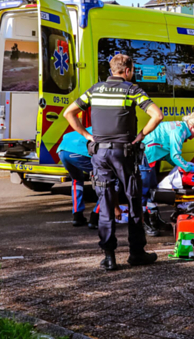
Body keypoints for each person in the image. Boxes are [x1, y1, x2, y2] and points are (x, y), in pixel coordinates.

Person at [62, 53, 164, 271]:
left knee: (106, 205)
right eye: (132, 71)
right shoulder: (131, 89)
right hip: (125, 153)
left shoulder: (94, 90)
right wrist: (141, 136)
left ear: (111, 70)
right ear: (127, 71)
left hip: (99, 154)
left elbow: (69, 113)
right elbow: (157, 115)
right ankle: (136, 253)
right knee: (134, 202)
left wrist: (87, 136)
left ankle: (109, 257)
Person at [138, 112, 194, 232]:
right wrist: (188, 168)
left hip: (152, 154)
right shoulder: (180, 131)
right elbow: (175, 155)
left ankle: (154, 219)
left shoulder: (180, 127)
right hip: (147, 154)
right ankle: (142, 225)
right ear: (192, 127)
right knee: (144, 191)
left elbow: (169, 154)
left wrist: (182, 166)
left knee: (152, 190)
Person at [56, 128, 93, 227]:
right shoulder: (107, 130)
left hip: (62, 151)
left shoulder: (91, 127)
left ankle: (77, 216)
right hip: (78, 152)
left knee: (77, 180)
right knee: (105, 181)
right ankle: (96, 217)